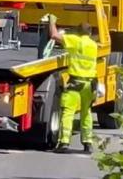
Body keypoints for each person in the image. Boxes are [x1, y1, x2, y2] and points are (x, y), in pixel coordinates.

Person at [46, 14, 98, 153]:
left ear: (78, 32)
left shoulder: (76, 41)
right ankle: (88, 143)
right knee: (86, 113)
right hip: (88, 84)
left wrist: (52, 22)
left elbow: (54, 36)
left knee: (68, 113)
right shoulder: (93, 45)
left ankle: (64, 143)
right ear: (90, 33)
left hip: (75, 83)